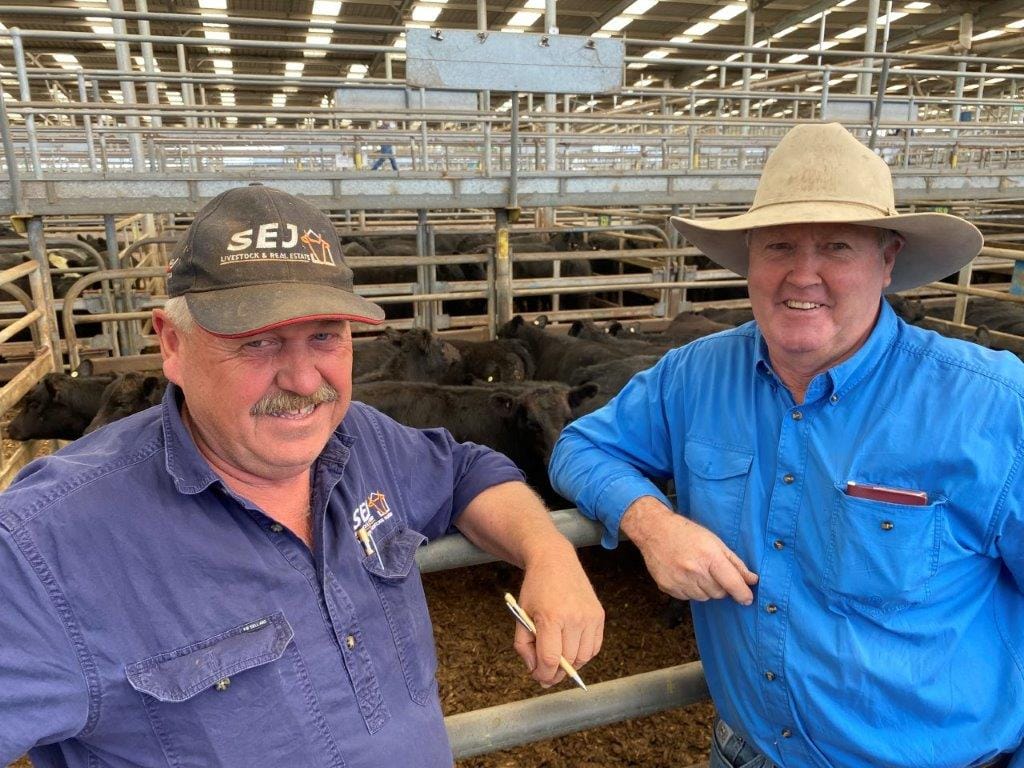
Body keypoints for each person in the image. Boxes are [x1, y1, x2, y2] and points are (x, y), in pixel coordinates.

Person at [0, 184, 604, 767]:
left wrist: (549, 552)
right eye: (258, 341)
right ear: (172, 344)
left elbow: (468, 470)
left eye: (325, 335)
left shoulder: (360, 437)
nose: (303, 380)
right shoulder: (40, 548)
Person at [549, 123, 1024, 768]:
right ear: (749, 257)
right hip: (746, 752)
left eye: (837, 247)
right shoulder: (694, 375)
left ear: (887, 260)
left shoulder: (994, 406)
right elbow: (578, 447)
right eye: (778, 247)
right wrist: (651, 521)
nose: (803, 275)